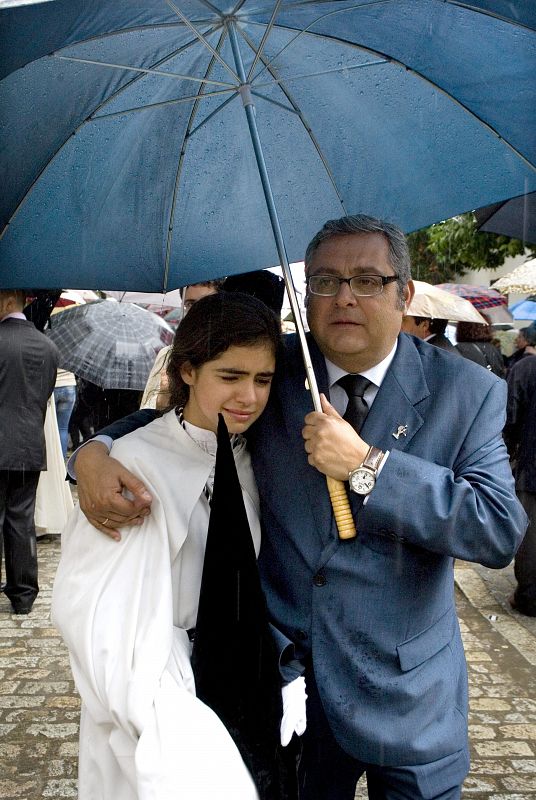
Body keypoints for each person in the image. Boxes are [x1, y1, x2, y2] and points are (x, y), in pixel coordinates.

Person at [71, 215, 527, 800]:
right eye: (325, 280)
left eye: (368, 280)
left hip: (411, 695)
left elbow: (496, 530)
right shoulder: (277, 368)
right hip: (292, 689)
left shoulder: (466, 392)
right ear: (304, 292)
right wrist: (94, 450)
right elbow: (186, 412)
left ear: (404, 293)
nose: (344, 297)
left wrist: (370, 466)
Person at [52, 293, 301, 799]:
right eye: (229, 377)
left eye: (263, 380)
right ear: (187, 371)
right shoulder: (132, 469)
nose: (249, 397)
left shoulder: (263, 453)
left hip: (250, 682)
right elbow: (103, 622)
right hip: (161, 695)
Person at [0, 289, 59, 614]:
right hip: (28, 444)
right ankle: (23, 596)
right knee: (21, 520)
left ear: (10, 300)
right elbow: (43, 395)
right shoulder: (47, 347)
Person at [140, 280, 224, 410]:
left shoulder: (233, 355)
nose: (197, 310)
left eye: (206, 302)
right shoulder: (168, 356)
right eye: (190, 304)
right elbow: (147, 412)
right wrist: (163, 402)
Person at [503, 352, 536, 617]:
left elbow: (510, 416)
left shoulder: (526, 368)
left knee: (531, 535)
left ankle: (529, 595)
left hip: (532, 463)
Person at [53, 368, 77, 458]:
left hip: (53, 385)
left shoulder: (50, 352)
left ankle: (52, 461)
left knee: (51, 427)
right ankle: (61, 460)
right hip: (69, 385)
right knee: (63, 428)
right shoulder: (69, 353)